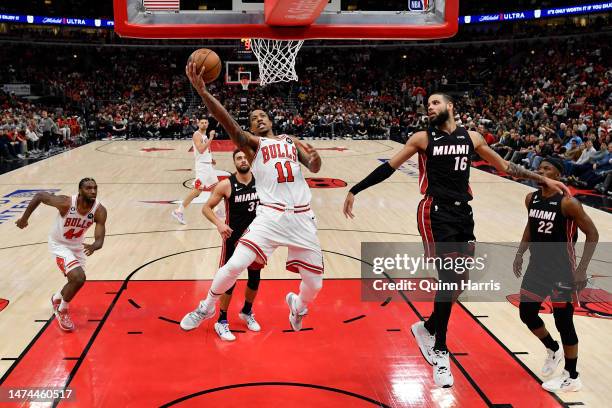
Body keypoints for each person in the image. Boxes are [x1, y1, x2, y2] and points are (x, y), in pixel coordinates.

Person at [343, 93, 570, 388]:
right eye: (428, 105)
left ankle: (427, 328)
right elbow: (390, 167)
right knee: (449, 277)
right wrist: (355, 190)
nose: (430, 107)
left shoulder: (471, 137)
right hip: (435, 212)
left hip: (464, 213)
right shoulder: (422, 138)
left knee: (459, 282)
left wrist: (544, 180)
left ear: (450, 106)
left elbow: (505, 166)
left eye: (435, 103)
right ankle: (440, 352)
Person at [180, 61, 323, 333]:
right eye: (253, 118)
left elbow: (313, 168)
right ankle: (207, 306)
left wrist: (315, 161)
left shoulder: (289, 140)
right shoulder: (254, 145)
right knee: (234, 265)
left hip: (302, 217)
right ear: (252, 128)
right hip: (270, 217)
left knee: (315, 284)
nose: (258, 118)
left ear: (270, 121)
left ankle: (298, 306)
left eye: (262, 115)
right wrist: (203, 93)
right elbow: (230, 125)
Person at [513, 157, 598, 393]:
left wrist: (581, 269)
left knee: (564, 322)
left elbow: (593, 233)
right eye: (539, 169)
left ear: (558, 176)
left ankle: (572, 376)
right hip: (537, 267)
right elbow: (530, 227)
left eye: (546, 169)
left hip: (563, 270)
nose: (540, 171)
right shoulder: (531, 198)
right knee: (527, 313)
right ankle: (553, 348)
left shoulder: (568, 203)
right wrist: (520, 253)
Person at [15, 178, 107, 332]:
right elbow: (39, 196)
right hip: (59, 244)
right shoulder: (66, 203)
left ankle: (57, 298)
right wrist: (24, 219)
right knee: (78, 277)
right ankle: (62, 310)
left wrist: (94, 246)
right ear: (80, 190)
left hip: (77, 246)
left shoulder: (99, 210)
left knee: (76, 281)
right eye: (88, 188)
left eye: (95, 188)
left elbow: (100, 239)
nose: (93, 191)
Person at [203, 149, 262, 341]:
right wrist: (219, 224)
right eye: (239, 158)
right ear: (234, 162)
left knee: (254, 278)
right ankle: (221, 320)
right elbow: (206, 208)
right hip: (233, 239)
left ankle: (246, 311)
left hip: (256, 238)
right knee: (229, 281)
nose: (243, 160)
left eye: (245, 157)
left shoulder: (262, 181)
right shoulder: (227, 185)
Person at [172, 119, 217, 225]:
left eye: (206, 122)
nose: (204, 124)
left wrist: (211, 159)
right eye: (202, 122)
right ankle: (179, 211)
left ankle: (214, 210)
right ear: (198, 124)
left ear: (208, 124)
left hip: (208, 166)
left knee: (216, 188)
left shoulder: (205, 136)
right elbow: (201, 150)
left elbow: (205, 151)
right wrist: (211, 137)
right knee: (197, 191)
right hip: (202, 167)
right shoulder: (197, 135)